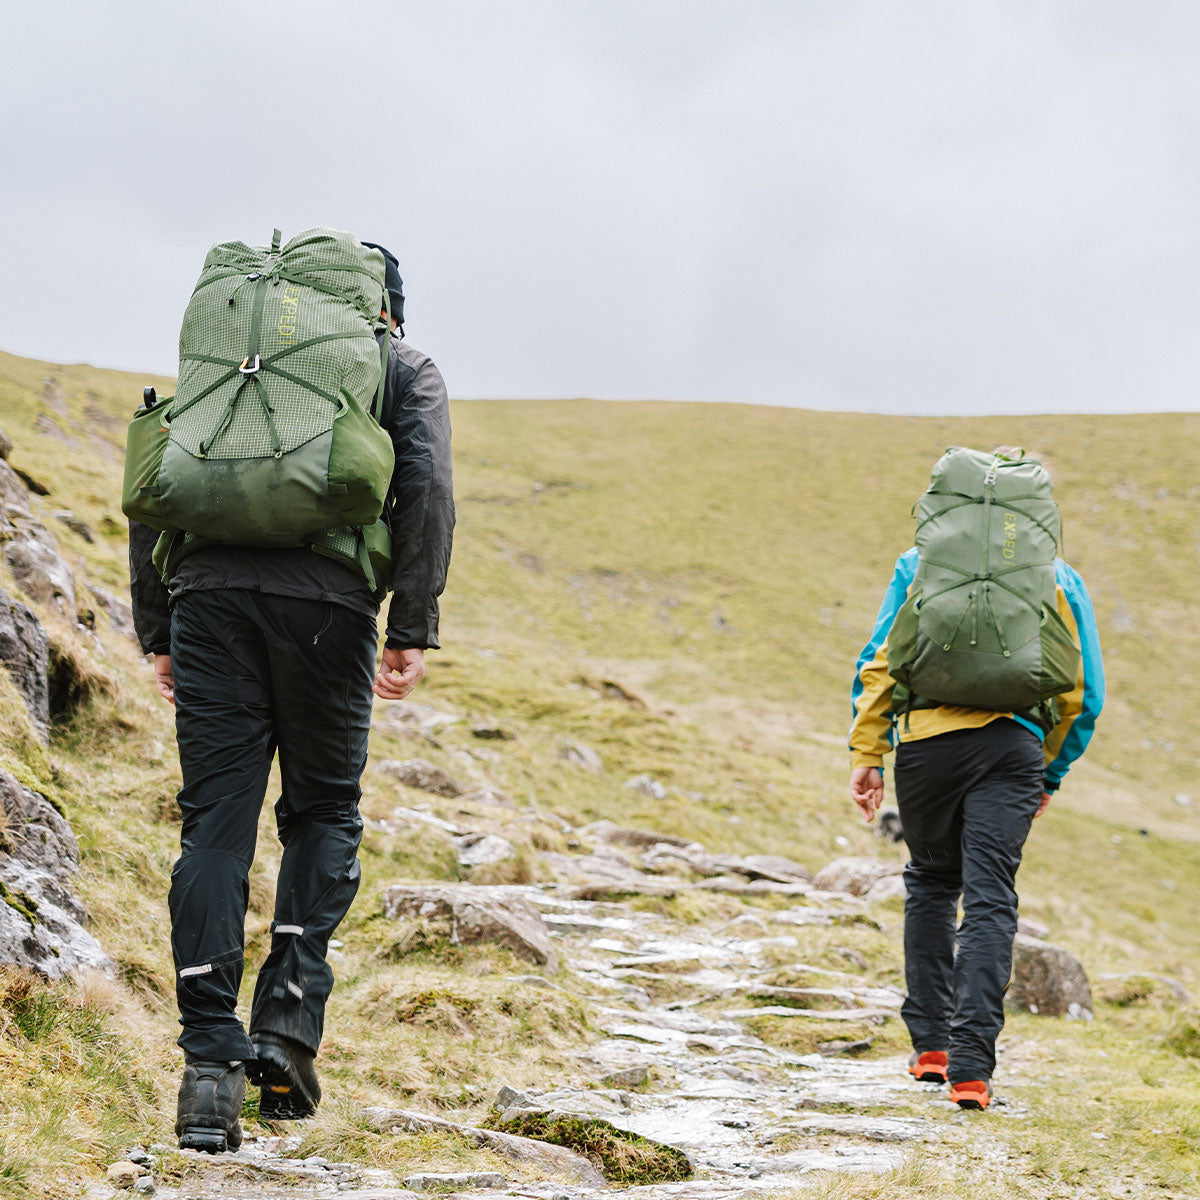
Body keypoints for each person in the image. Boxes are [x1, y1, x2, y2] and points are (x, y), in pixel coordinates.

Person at [129, 242, 454, 1150]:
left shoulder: (228, 355)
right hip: (329, 606)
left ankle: (206, 1068)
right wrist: (412, 626)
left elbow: (161, 477)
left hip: (208, 600)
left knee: (214, 828)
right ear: (387, 304)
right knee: (322, 813)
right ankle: (286, 1026)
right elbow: (425, 495)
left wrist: (157, 626)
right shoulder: (401, 366)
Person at [847, 449, 1103, 1110]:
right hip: (1014, 748)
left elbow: (880, 663)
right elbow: (1085, 695)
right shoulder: (1057, 578)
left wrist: (868, 754)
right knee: (991, 897)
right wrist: (1046, 773)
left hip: (929, 749)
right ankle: (971, 1070)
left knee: (932, 882)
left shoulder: (920, 565)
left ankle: (929, 1045)